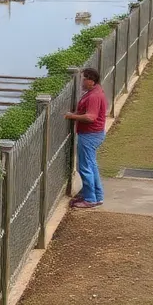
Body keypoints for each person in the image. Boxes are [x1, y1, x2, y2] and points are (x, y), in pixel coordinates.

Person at [66, 67, 108, 208]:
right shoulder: (93, 92)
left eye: (83, 79)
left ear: (91, 80)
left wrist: (72, 116)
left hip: (90, 135)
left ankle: (90, 199)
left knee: (84, 167)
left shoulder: (94, 96)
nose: (82, 82)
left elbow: (90, 117)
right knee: (91, 166)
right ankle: (97, 195)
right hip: (92, 134)